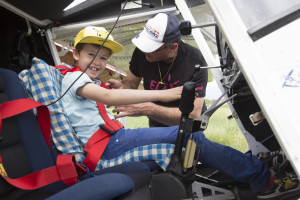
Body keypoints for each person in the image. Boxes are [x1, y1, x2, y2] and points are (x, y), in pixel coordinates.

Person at [57, 25, 299, 200]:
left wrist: (123, 90)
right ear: (75, 54)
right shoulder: (74, 77)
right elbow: (108, 98)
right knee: (192, 139)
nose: (97, 63)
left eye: (104, 57)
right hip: (106, 144)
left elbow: (109, 96)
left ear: (173, 47)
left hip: (110, 140)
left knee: (190, 138)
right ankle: (265, 181)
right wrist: (169, 93)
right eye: (91, 54)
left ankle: (254, 169)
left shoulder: (84, 80)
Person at [107, 12, 208, 127]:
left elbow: (193, 114)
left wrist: (148, 109)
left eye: (151, 48)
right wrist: (123, 88)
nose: (145, 51)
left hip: (186, 123)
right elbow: (130, 83)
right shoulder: (142, 53)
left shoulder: (195, 60)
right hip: (156, 119)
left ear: (172, 48)